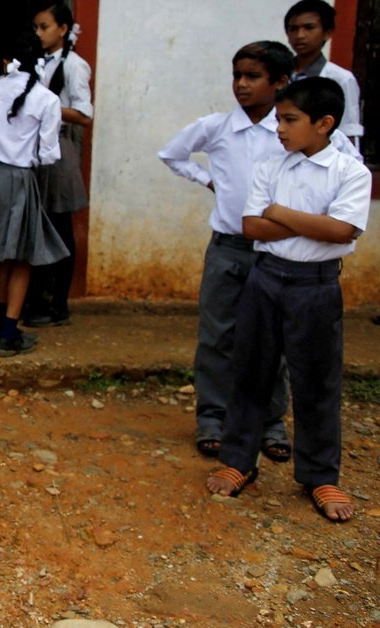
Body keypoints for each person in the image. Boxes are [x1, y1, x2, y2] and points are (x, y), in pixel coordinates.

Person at [159, 41, 360, 459]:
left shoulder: (294, 130)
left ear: (281, 82)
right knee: (218, 335)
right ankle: (213, 417)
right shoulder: (217, 127)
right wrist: (209, 181)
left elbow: (342, 166)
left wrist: (293, 220)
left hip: (278, 253)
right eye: (237, 76)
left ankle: (271, 422)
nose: (242, 85)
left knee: (274, 343)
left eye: (253, 77)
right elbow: (172, 154)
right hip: (230, 246)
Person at [206, 77, 371, 523]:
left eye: (289, 119)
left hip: (315, 286)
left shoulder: (350, 172)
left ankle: (320, 474)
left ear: (324, 124)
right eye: (278, 118)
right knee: (251, 371)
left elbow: (344, 231)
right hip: (266, 279)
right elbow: (251, 226)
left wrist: (279, 213)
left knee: (317, 381)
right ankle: (239, 461)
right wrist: (312, 222)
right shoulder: (271, 167)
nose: (279, 128)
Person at [0, 36, 68, 357]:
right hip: (19, 178)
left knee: (1, 253)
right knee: (20, 258)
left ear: (5, 62)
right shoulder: (46, 99)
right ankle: (8, 330)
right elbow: (49, 155)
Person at [24, 3, 94, 328]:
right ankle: (37, 297)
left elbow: (84, 114)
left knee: (59, 225)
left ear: (63, 28)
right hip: (36, 148)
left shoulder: (75, 66)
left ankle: (59, 302)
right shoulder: (39, 63)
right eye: (37, 27)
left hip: (60, 149)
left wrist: (45, 107)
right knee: (39, 224)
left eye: (45, 26)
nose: (39, 33)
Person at [284, 0, 364, 144]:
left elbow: (349, 130)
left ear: (327, 33)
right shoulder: (279, 74)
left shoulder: (341, 78)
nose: (300, 35)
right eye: (293, 29)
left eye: (309, 28)